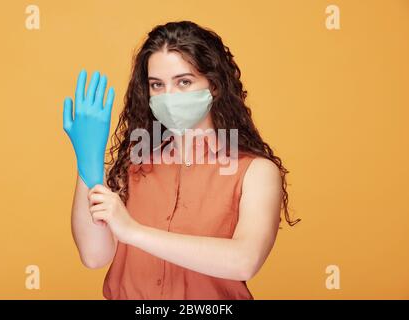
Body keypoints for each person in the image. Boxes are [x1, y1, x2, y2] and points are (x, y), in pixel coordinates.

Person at [63, 20, 300, 300]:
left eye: (184, 82)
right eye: (157, 85)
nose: (169, 96)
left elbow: (244, 261)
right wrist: (88, 163)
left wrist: (133, 231)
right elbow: (94, 256)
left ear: (213, 85)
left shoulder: (255, 171)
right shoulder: (135, 164)